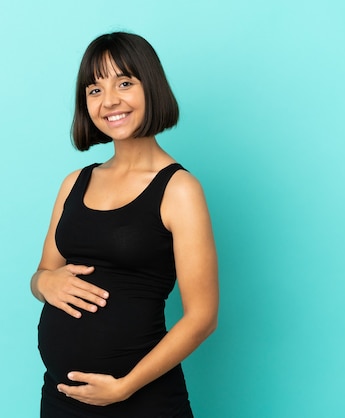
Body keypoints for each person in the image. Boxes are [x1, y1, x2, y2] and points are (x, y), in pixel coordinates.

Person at [30, 32, 219, 417]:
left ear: (152, 87)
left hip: (141, 401)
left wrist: (124, 388)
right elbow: (44, 273)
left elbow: (202, 316)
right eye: (94, 89)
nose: (110, 100)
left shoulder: (179, 189)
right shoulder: (75, 181)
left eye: (125, 82)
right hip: (61, 399)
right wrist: (43, 283)